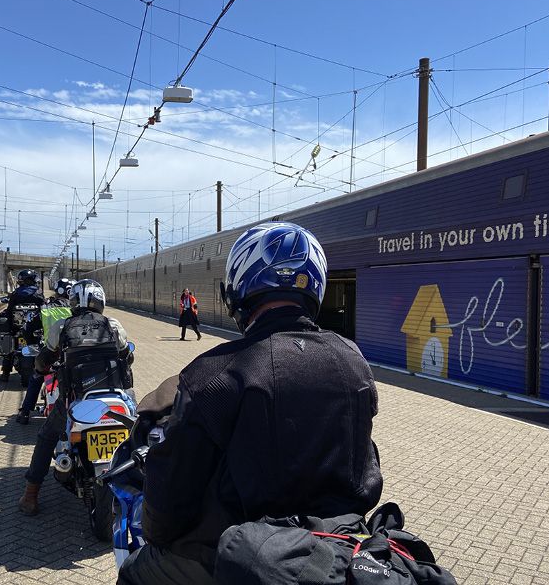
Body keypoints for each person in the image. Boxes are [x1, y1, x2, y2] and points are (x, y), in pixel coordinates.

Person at [118, 222, 383, 585]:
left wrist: (157, 536)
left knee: (134, 571)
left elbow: (170, 498)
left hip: (234, 558)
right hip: (334, 546)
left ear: (239, 289)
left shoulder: (212, 374)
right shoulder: (354, 362)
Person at [19, 278, 133, 515]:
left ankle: (30, 495)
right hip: (115, 398)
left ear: (72, 302)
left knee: (47, 436)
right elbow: (127, 356)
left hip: (77, 399)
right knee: (138, 431)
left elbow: (44, 360)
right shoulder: (113, 324)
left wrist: (39, 369)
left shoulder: (61, 326)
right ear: (101, 302)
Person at [17, 277, 75, 424]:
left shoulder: (46, 308)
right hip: (73, 353)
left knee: (37, 376)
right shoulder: (76, 310)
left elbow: (27, 328)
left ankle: (25, 413)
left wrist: (32, 343)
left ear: (57, 291)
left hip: (50, 353)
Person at [0, 269, 44, 383]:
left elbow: (9, 311)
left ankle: (5, 373)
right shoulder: (38, 293)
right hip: (34, 328)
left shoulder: (15, 294)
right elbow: (44, 310)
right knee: (42, 344)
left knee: (9, 348)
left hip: (16, 328)